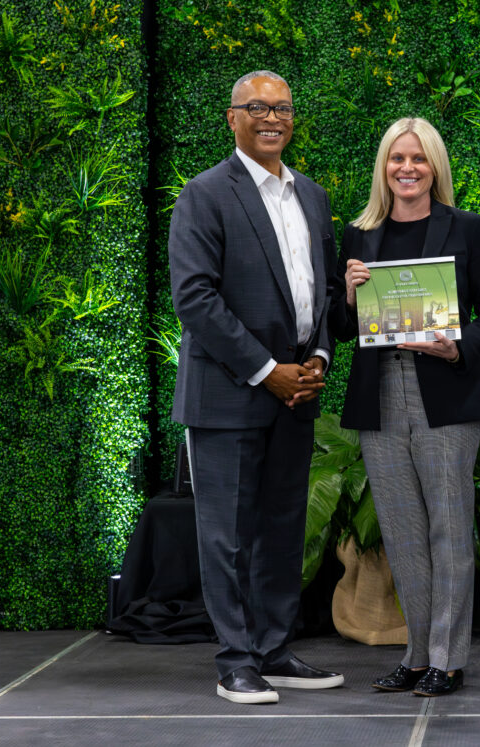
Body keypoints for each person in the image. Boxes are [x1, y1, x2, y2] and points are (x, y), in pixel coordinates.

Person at [169, 70, 343, 704]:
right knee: (228, 535)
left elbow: (324, 293)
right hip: (230, 396)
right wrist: (268, 372)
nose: (273, 117)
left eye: (284, 108)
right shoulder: (205, 194)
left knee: (281, 528)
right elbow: (195, 298)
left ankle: (272, 649)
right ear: (232, 117)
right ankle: (235, 660)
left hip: (299, 392)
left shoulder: (314, 197)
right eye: (259, 108)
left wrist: (318, 357)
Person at [330, 117, 480, 697]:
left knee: (450, 532)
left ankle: (448, 660)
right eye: (395, 159)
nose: (406, 168)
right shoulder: (359, 235)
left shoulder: (467, 228)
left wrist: (460, 346)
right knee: (404, 534)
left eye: (419, 159)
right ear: (383, 167)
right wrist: (351, 293)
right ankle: (415, 654)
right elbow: (337, 325)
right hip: (378, 398)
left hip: (446, 395)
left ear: (435, 166)